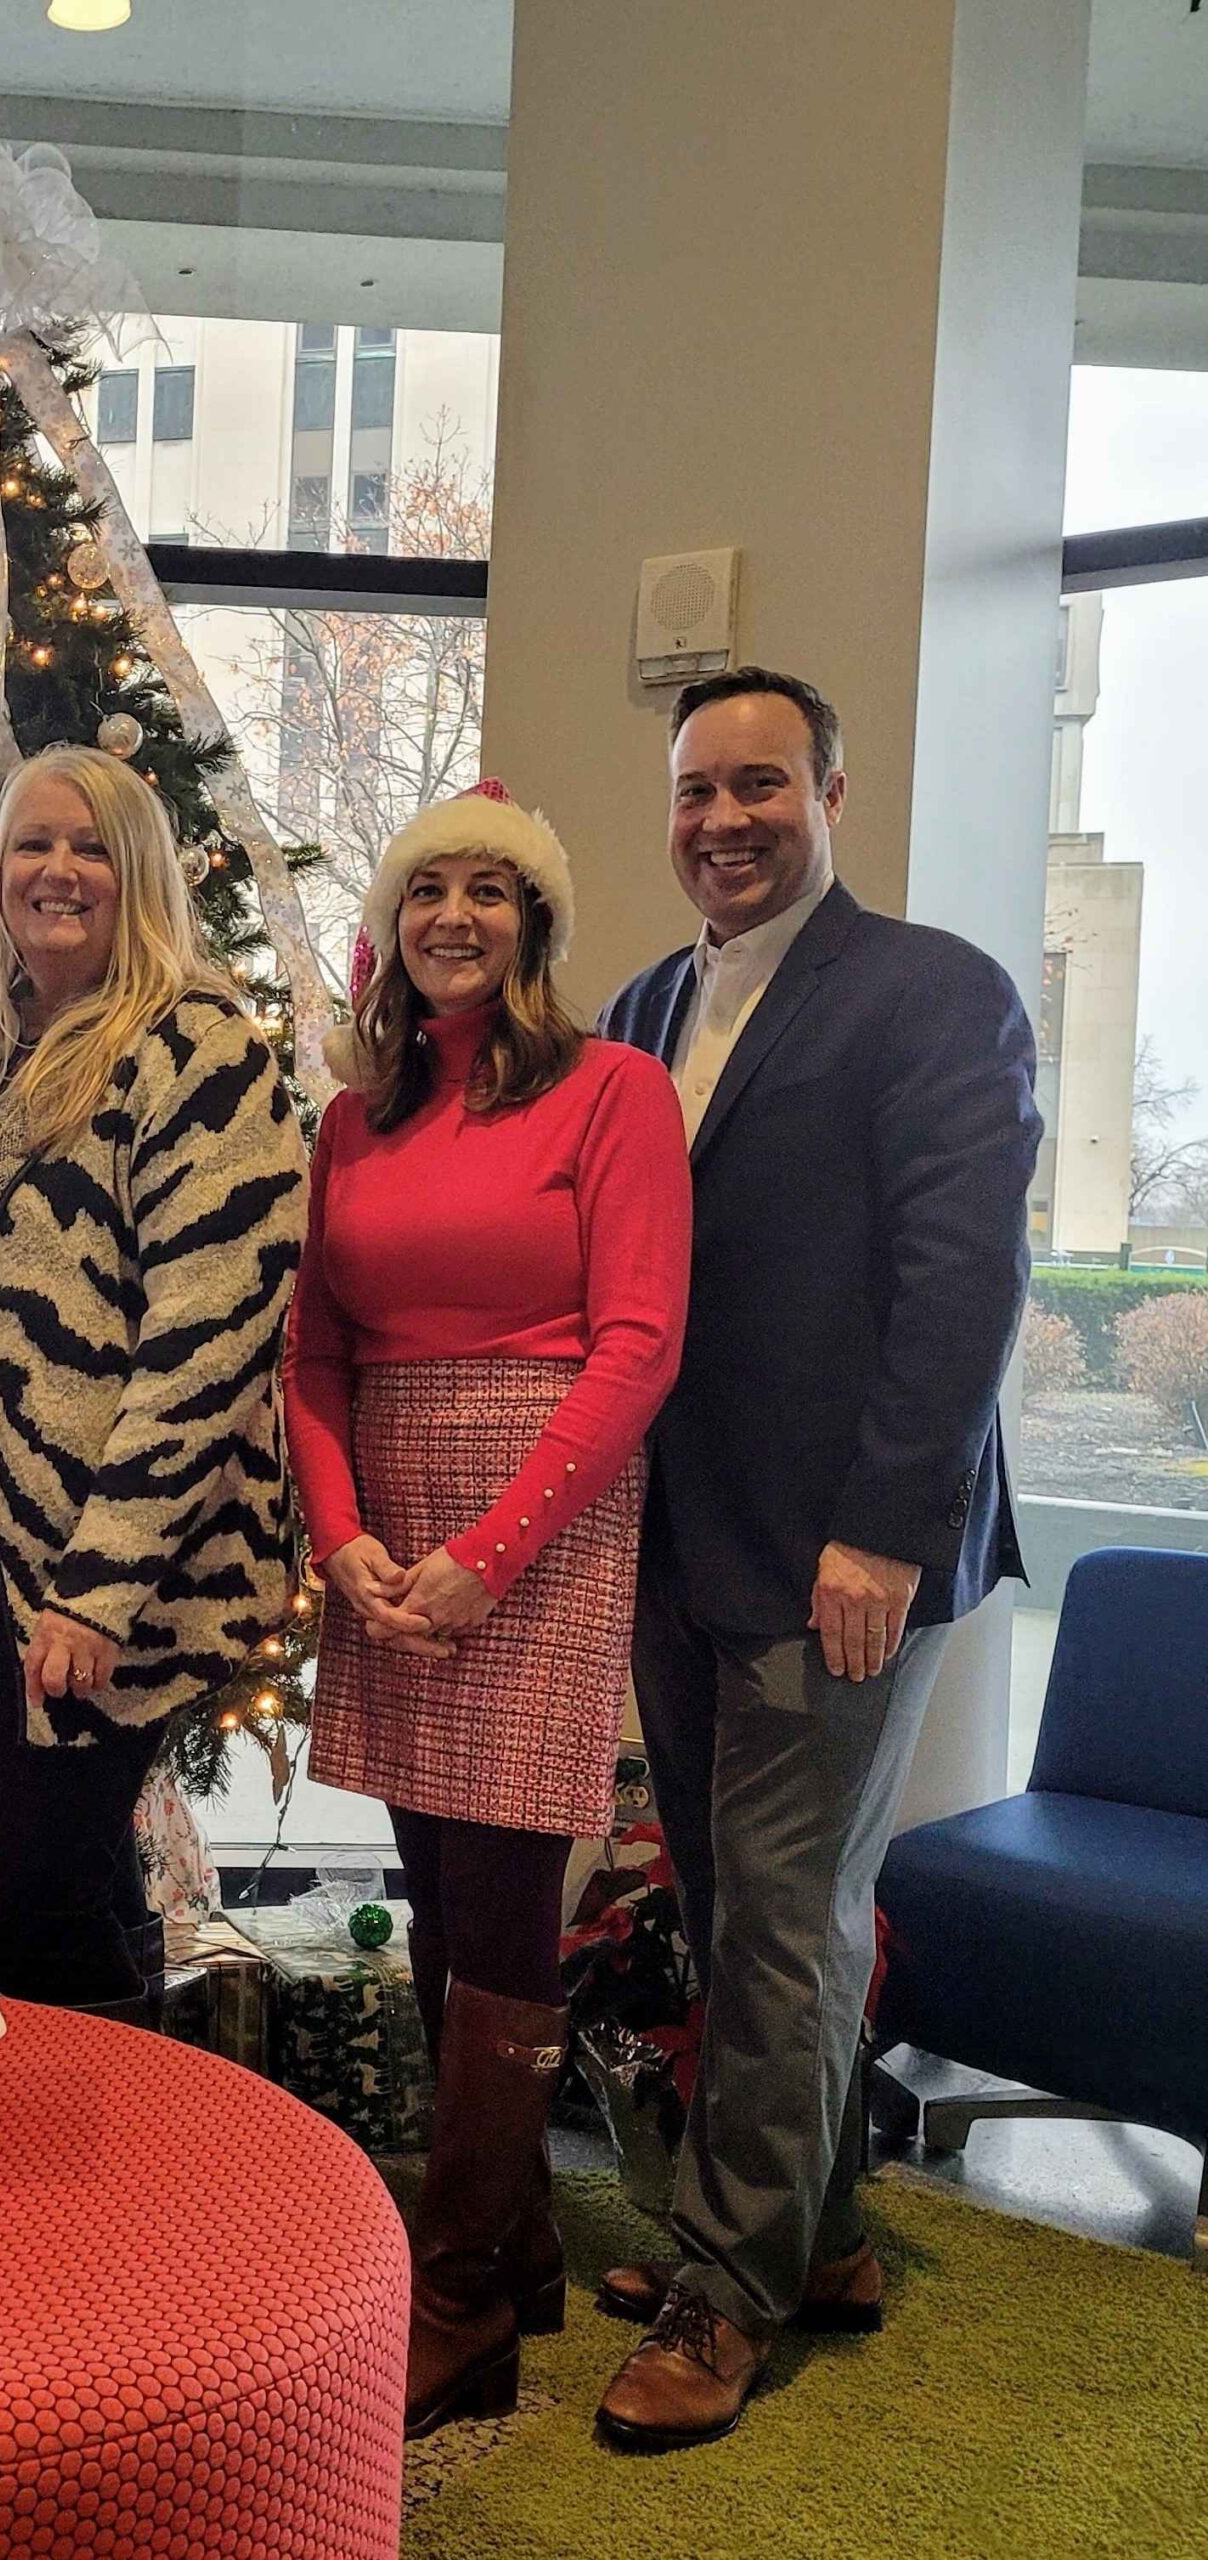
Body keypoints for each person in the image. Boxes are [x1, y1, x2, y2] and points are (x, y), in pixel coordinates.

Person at [592, 668, 1040, 2452]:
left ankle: (726, 2296)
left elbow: (961, 1287)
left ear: (833, 792)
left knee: (782, 1912)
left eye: (760, 784)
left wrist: (880, 1531)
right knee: (726, 1901)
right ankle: (819, 2236)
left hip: (845, 1551)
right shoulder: (642, 1005)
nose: (723, 820)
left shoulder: (935, 996)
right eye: (697, 790)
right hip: (685, 1548)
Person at [283, 779, 691, 2436]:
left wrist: (490, 1553)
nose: (457, 914)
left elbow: (640, 1345)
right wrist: (342, 1539)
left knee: (511, 1896)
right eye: (429, 887)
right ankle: (512, 2243)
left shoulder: (617, 1092)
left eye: (493, 891)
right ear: (393, 923)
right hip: (387, 1520)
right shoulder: (351, 1119)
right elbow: (314, 1350)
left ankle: (454, 2301)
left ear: (536, 922)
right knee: (436, 1881)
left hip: (545, 1517)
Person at [0, 744, 305, 2010]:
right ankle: (125, 2145)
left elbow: (208, 1343)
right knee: (70, 1869)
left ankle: (88, 2179)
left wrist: (101, 1586)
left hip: (94, 1563)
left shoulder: (196, 1051)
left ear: (141, 873)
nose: (58, 870)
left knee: (41, 1882)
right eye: (33, 842)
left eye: (91, 845)